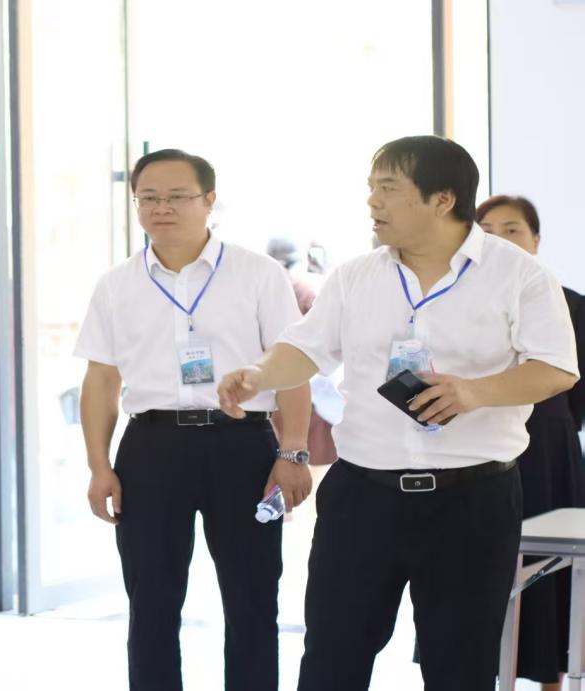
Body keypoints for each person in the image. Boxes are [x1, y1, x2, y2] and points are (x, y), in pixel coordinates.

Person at [217, 135, 580, 691]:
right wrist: (259, 374)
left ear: (442, 199)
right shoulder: (355, 276)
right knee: (332, 657)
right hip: (363, 496)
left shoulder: (519, 276)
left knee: (459, 667)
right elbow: (306, 348)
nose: (373, 202)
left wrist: (473, 392)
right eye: (371, 188)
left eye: (388, 188)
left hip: (472, 500)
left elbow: (556, 369)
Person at [75, 149, 312, 691]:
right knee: (151, 601)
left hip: (243, 446)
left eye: (177, 196)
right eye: (149, 198)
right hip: (151, 449)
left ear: (209, 201)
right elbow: (101, 380)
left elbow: (293, 366)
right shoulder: (116, 284)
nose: (162, 208)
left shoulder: (258, 273)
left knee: (253, 597)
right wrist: (98, 466)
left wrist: (293, 450)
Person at [478, 194, 585, 691]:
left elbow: (576, 392)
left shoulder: (572, 305)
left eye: (513, 229)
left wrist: (549, 423)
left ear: (536, 240)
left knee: (552, 573)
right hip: (477, 450)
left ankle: (552, 681)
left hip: (546, 452)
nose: (501, 240)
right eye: (488, 231)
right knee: (478, 569)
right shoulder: (461, 302)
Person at [266, 236, 339, 470]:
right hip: (300, 384)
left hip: (284, 384)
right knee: (305, 457)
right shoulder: (300, 289)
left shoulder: (285, 288)